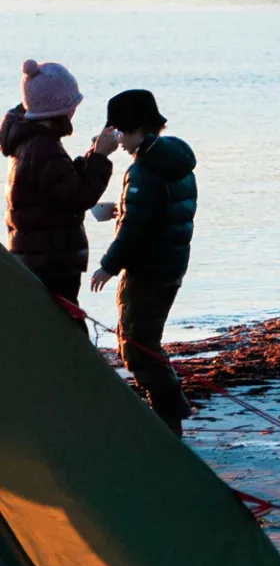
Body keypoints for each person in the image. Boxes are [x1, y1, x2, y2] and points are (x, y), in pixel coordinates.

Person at [89, 89, 197, 435]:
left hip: (148, 270)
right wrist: (120, 210)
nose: (116, 140)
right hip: (171, 264)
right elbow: (161, 211)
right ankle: (171, 410)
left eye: (118, 131)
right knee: (145, 338)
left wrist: (108, 264)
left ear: (136, 127)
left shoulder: (145, 170)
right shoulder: (173, 158)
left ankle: (168, 416)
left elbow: (136, 230)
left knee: (135, 343)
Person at [3, 60, 115, 301]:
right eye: (72, 105)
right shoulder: (43, 148)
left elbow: (59, 186)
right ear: (58, 110)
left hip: (36, 256)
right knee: (63, 327)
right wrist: (100, 157)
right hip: (50, 262)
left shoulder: (31, 143)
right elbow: (78, 196)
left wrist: (89, 157)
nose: (74, 110)